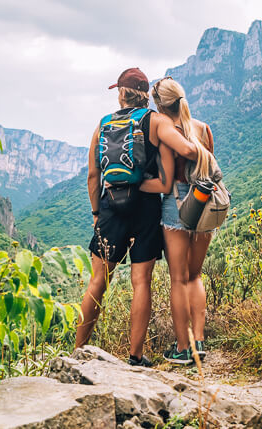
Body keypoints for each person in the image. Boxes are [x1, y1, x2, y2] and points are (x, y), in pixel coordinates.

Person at [74, 68, 198, 366]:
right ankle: (135, 356)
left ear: (121, 92)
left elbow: (93, 175)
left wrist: (96, 212)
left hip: (110, 206)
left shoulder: (103, 124)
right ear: (145, 94)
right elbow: (167, 181)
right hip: (145, 206)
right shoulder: (155, 121)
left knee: (98, 281)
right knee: (141, 280)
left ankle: (78, 352)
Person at [151, 77, 215, 365]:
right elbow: (210, 166)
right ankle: (199, 341)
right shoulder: (203, 129)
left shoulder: (167, 133)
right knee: (195, 275)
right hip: (204, 203)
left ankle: (182, 347)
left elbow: (164, 180)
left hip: (176, 203)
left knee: (178, 278)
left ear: (159, 105)